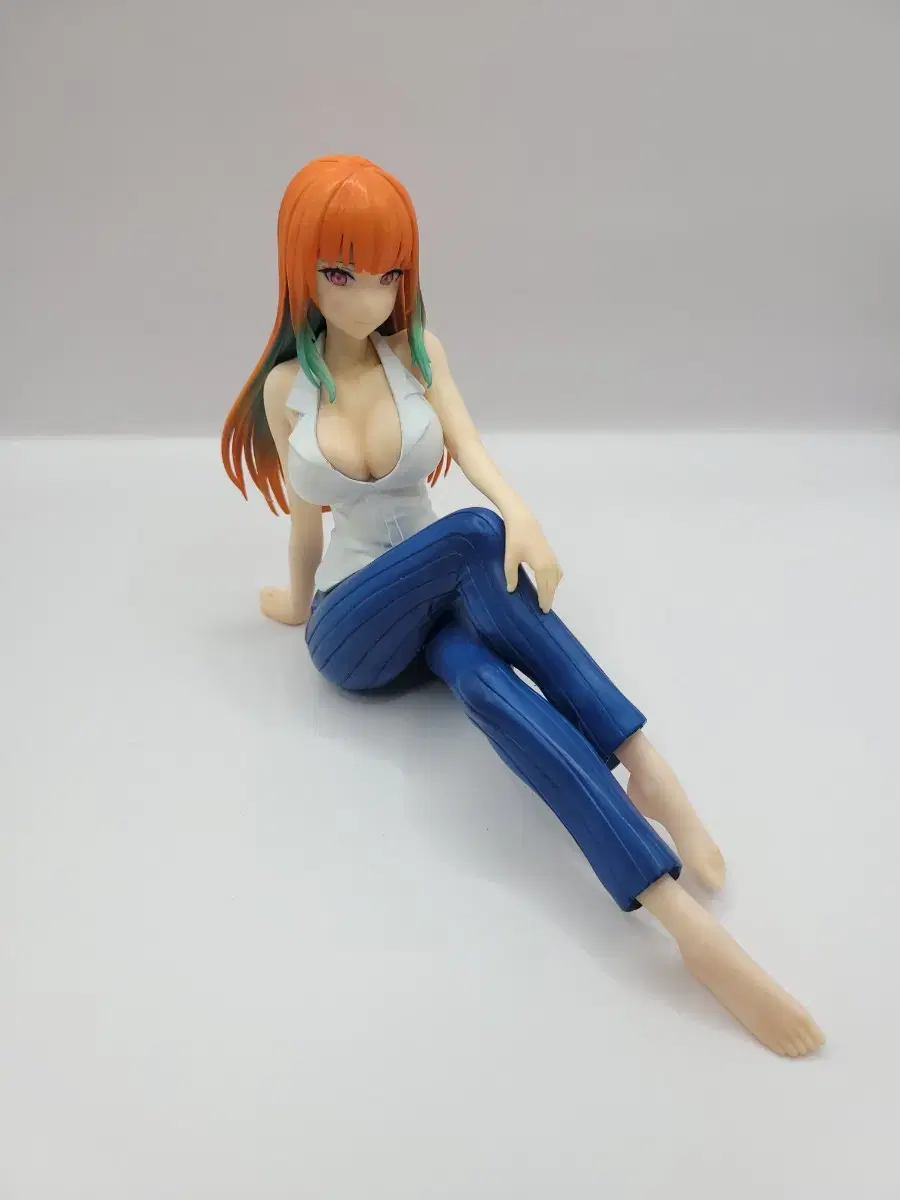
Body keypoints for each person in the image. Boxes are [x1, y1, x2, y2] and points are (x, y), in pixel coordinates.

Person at [221, 154, 824, 1057]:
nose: (369, 299)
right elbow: (307, 522)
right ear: (300, 270)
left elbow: (470, 445)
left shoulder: (418, 354)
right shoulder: (286, 391)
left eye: (388, 274)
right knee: (475, 533)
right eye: (341, 274)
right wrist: (297, 601)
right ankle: (643, 755)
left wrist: (523, 514)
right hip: (355, 625)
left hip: (438, 612)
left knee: (486, 683)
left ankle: (678, 917)